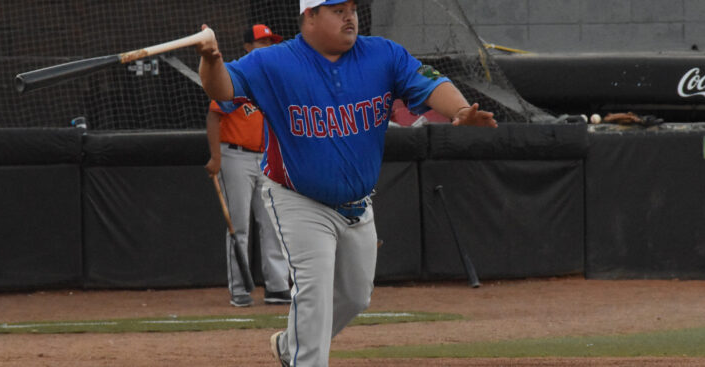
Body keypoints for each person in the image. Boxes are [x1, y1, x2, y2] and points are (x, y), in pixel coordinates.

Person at [196, 0, 496, 365]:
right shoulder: (273, 61)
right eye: (337, 10)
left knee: (356, 296)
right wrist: (211, 57)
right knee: (315, 291)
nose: (349, 16)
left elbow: (430, 82)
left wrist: (461, 111)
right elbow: (221, 90)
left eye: (351, 8)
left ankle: (291, 346)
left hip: (357, 202)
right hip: (297, 198)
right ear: (310, 16)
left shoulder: (382, 55)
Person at [204, 24, 290, 308]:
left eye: (270, 42)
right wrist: (216, 157)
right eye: (261, 41)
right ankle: (240, 290)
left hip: (266, 156)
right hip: (236, 156)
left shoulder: (276, 79)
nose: (267, 46)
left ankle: (277, 287)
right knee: (238, 225)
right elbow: (214, 116)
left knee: (273, 224)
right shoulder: (237, 76)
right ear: (247, 47)